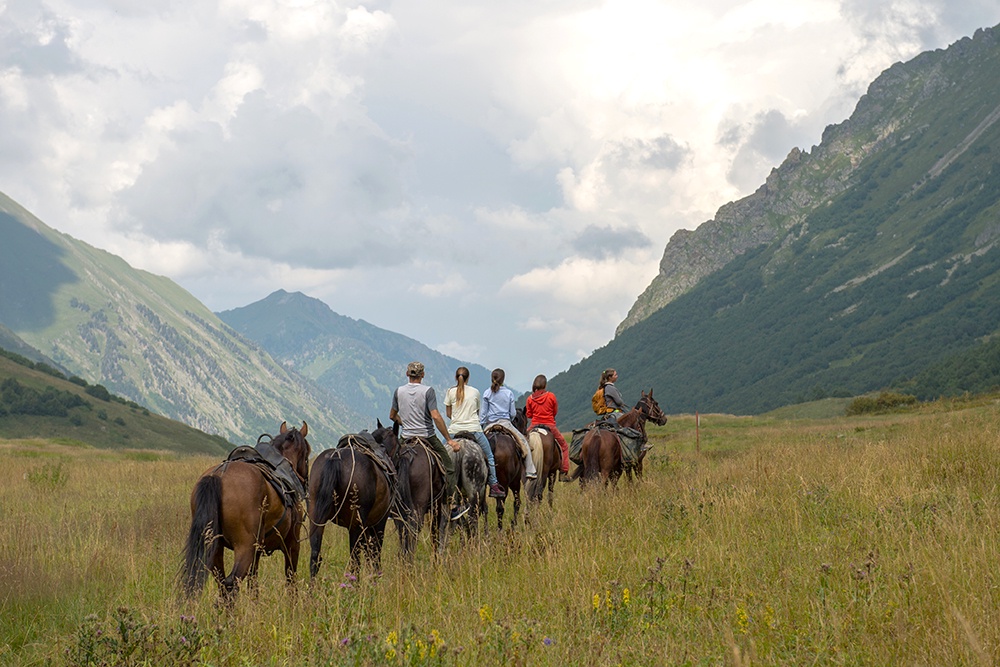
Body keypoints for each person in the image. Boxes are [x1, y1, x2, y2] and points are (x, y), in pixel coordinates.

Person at [389, 361, 468, 521]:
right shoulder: (428, 391)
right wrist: (448, 440)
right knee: (449, 467)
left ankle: (391, 503)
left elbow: (392, 416)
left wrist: (404, 422)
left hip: (406, 438)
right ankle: (451, 505)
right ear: (422, 375)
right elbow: (436, 416)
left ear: (407, 374)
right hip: (427, 436)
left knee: (391, 467)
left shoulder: (399, 391)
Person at [445, 366, 506, 498]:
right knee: (489, 456)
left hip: (454, 431)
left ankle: (438, 486)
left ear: (456, 377)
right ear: (469, 378)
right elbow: (477, 413)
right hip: (474, 430)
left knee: (439, 457)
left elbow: (448, 413)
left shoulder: (450, 392)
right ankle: (494, 485)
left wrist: (458, 419)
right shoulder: (475, 392)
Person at [480, 368, 537, 479]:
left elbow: (483, 415)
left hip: (490, 425)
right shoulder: (508, 393)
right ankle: (530, 470)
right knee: (524, 442)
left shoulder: (487, 393)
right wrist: (509, 418)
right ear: (503, 379)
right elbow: (512, 413)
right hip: (505, 423)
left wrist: (481, 426)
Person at [524, 374, 570, 476]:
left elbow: (529, 414)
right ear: (545, 385)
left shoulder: (530, 399)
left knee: (522, 443)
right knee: (564, 446)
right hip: (550, 425)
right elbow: (555, 411)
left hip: (534, 425)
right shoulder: (551, 396)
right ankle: (564, 470)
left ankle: (523, 468)